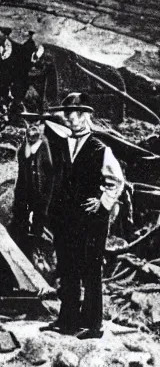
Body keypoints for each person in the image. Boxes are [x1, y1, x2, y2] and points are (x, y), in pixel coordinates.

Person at [41, 92, 124, 339]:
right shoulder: (61, 144)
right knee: (67, 268)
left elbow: (116, 181)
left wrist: (102, 201)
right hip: (66, 219)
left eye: (75, 113)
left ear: (86, 115)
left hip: (91, 221)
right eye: (67, 113)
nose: (70, 118)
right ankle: (67, 320)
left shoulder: (100, 148)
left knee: (90, 270)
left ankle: (93, 324)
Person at [11, 112, 55, 259]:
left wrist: (46, 198)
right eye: (30, 126)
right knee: (20, 224)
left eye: (36, 125)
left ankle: (35, 253)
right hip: (24, 192)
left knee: (38, 225)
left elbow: (50, 174)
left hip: (40, 194)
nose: (33, 130)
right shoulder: (24, 146)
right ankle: (24, 254)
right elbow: (21, 171)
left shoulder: (45, 145)